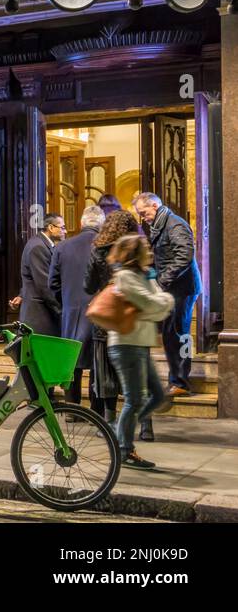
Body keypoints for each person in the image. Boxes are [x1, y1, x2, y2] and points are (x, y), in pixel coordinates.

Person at [105, 234, 176, 470]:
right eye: (145, 247)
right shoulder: (125, 277)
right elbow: (153, 304)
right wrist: (162, 302)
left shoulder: (143, 275)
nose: (150, 250)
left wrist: (156, 305)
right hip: (126, 345)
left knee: (157, 395)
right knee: (134, 399)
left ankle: (118, 431)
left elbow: (154, 308)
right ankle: (123, 448)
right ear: (135, 253)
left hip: (140, 343)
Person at [132, 191, 200, 398]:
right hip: (174, 288)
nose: (142, 218)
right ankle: (178, 379)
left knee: (179, 334)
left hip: (182, 289)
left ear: (154, 205)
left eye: (143, 213)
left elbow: (184, 256)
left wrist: (161, 281)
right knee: (172, 335)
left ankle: (181, 382)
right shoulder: (161, 223)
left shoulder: (174, 224)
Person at [83, 210, 139, 424]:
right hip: (133, 316)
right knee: (136, 370)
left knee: (105, 371)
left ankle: (108, 421)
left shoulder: (98, 249)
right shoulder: (138, 247)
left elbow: (88, 285)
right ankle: (145, 425)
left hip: (106, 319)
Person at [51, 205, 104, 411]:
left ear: (82, 223)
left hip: (71, 313)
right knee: (97, 363)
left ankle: (72, 408)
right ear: (101, 224)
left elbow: (52, 283)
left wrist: (66, 302)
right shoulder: (105, 245)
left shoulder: (62, 247)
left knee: (72, 363)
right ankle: (96, 409)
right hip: (99, 313)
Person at [11, 213, 64, 335]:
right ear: (51, 228)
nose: (65, 231)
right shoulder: (38, 247)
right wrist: (62, 310)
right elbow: (44, 285)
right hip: (39, 315)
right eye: (62, 227)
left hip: (41, 313)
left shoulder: (42, 244)